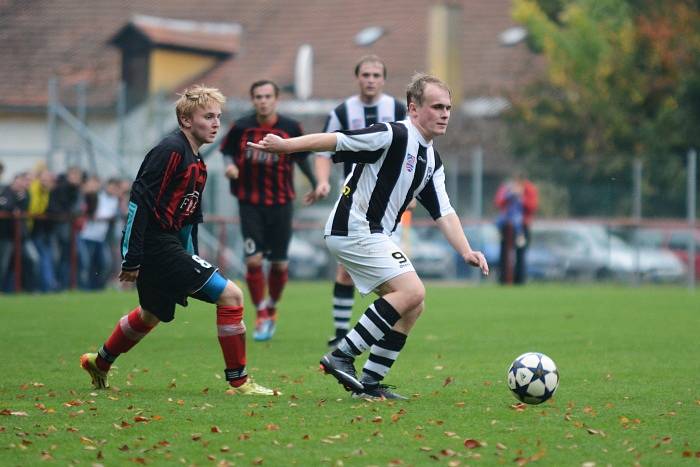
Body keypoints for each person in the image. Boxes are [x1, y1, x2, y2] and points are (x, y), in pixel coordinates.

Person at [250, 73, 489, 400]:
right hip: (353, 226)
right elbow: (335, 140)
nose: (445, 113)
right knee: (412, 290)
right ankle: (342, 354)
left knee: (412, 306)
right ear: (414, 108)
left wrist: (466, 251)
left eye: (448, 107)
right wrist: (286, 146)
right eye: (436, 106)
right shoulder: (393, 134)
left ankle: (370, 385)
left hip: (371, 233)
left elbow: (443, 211)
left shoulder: (431, 159)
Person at [80, 85, 277, 396]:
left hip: (168, 245)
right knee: (232, 296)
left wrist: (191, 258)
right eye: (208, 116)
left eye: (218, 117)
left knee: (150, 314)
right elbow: (139, 202)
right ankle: (239, 382)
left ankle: (99, 362)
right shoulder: (171, 150)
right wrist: (132, 257)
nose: (216, 123)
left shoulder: (197, 162)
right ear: (186, 120)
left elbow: (190, 219)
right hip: (156, 245)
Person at [313, 55, 407, 348]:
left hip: (389, 201)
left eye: (376, 75)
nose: (370, 79)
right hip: (354, 199)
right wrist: (323, 181)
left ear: (384, 79)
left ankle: (385, 326)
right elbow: (324, 149)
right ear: (357, 78)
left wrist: (411, 194)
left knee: (395, 277)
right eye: (365, 74)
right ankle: (342, 332)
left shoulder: (397, 109)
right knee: (345, 269)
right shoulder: (343, 111)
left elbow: (411, 153)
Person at [220, 80, 316, 342]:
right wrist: (230, 167)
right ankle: (261, 311)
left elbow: (302, 157)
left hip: (282, 203)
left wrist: (317, 183)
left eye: (267, 96)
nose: (263, 100)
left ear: (276, 99)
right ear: (253, 100)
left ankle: (272, 306)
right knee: (253, 260)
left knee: (279, 264)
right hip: (249, 202)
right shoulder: (241, 127)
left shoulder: (290, 127)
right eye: (258, 96)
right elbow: (226, 152)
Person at [494, 173, 538, 285]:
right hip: (507, 225)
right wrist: (509, 194)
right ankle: (503, 279)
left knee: (521, 253)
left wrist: (521, 197)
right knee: (504, 252)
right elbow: (499, 202)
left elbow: (532, 206)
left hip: (522, 225)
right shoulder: (507, 187)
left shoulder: (529, 188)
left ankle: (520, 279)